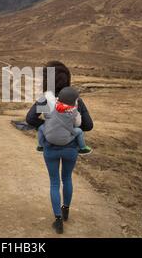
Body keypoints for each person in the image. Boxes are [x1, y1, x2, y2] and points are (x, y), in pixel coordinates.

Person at [26, 61, 93, 234]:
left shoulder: (45, 99)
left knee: (54, 182)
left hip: (50, 147)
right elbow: (88, 125)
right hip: (71, 148)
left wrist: (49, 127)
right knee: (67, 179)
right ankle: (66, 210)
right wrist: (69, 129)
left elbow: (30, 119)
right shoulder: (75, 100)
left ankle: (58, 221)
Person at [37, 87, 92, 154]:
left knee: (41, 128)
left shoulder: (53, 108)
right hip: (65, 140)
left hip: (50, 138)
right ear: (75, 101)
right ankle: (83, 148)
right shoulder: (74, 111)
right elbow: (78, 124)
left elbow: (46, 116)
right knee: (79, 131)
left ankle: (41, 146)